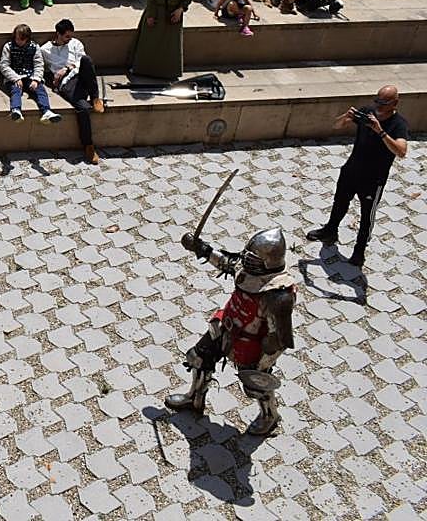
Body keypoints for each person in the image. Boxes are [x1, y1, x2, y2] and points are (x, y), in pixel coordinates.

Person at [166, 225, 296, 436]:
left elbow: (279, 339)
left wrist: (262, 366)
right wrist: (201, 248)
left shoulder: (278, 295)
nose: (245, 262)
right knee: (199, 358)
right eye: (247, 257)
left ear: (266, 263)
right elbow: (227, 263)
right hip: (226, 326)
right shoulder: (249, 270)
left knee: (256, 385)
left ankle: (270, 416)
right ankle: (194, 399)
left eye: (252, 259)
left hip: (251, 341)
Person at [306, 85, 409, 268]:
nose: (378, 105)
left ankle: (360, 251)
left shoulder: (398, 124)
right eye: (376, 100)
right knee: (339, 202)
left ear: (395, 103)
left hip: (373, 179)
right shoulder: (367, 112)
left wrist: (381, 132)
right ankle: (330, 230)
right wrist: (346, 118)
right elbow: (335, 126)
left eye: (383, 103)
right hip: (351, 170)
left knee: (366, 216)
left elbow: (401, 151)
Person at [41, 18, 104, 164]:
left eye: (71, 35)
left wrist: (66, 68)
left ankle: (95, 98)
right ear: (58, 34)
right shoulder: (45, 50)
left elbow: (81, 61)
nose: (70, 39)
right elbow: (40, 67)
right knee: (82, 108)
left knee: (87, 60)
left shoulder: (75, 43)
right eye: (66, 36)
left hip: (80, 75)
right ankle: (88, 146)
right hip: (67, 84)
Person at [0, 23, 62, 123]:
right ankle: (16, 110)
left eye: (21, 39)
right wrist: (15, 78)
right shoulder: (8, 46)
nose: (18, 41)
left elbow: (39, 64)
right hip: (14, 75)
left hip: (30, 75)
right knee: (16, 90)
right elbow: (4, 65)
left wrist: (36, 79)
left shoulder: (34, 47)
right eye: (17, 38)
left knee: (40, 90)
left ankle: (46, 111)